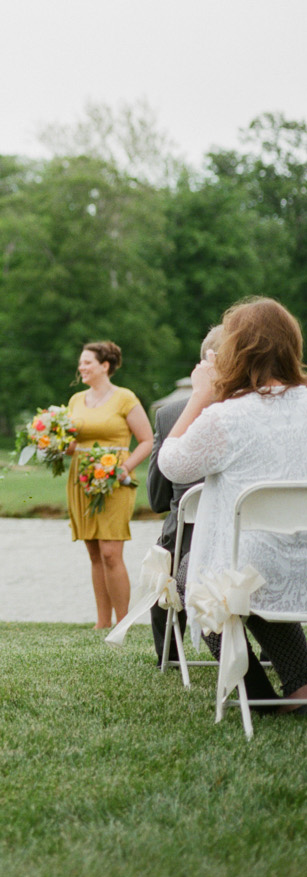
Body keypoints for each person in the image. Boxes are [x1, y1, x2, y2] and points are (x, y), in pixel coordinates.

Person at [159, 297, 307, 711]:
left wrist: (200, 395)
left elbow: (172, 465)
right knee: (259, 573)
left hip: (247, 566)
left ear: (236, 351)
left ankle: (255, 694)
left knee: (198, 577)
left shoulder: (228, 417)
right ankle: (302, 684)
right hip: (301, 561)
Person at [65, 341, 153, 629]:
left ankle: (123, 621)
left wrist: (123, 468)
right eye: (81, 363)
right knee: (93, 552)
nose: (82, 367)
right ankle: (102, 623)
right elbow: (72, 444)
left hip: (114, 479)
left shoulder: (125, 398)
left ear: (105, 366)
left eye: (87, 362)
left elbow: (147, 440)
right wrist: (55, 444)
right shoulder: (76, 400)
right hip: (82, 478)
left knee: (111, 552)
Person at [146, 327, 221, 658]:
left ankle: (169, 655)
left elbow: (158, 498)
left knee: (166, 562)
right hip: (262, 544)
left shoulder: (169, 415)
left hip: (189, 544)